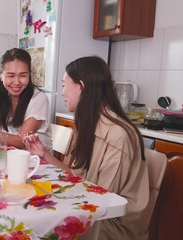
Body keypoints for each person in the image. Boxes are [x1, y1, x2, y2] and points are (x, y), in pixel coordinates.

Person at [23, 56, 149, 239]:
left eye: (65, 85)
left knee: (42, 223)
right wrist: (44, 154)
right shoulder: (89, 124)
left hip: (111, 222)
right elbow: (77, 177)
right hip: (94, 206)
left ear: (81, 87)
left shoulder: (117, 134)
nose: (62, 92)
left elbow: (102, 198)